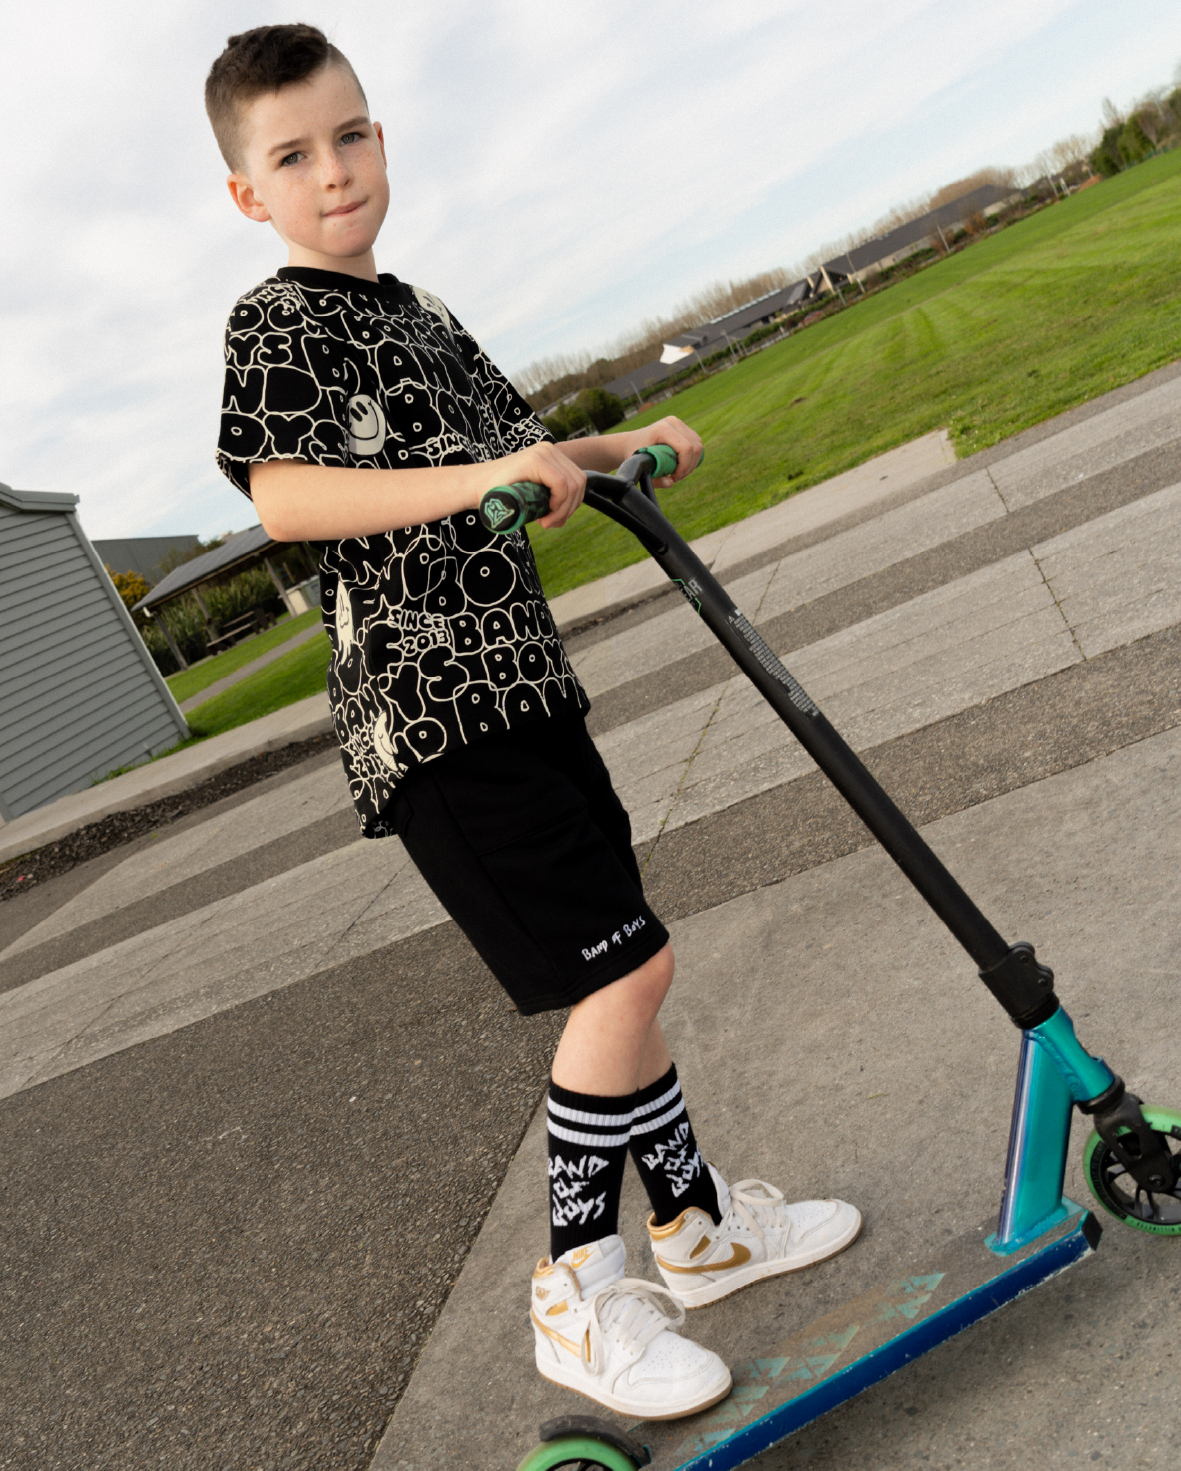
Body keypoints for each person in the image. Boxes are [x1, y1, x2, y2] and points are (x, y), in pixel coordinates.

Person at [205, 23, 861, 1422]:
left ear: (382, 138)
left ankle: (693, 1230)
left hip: (526, 694)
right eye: (294, 156)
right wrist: (472, 487)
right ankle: (575, 1285)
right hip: (435, 721)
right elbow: (288, 498)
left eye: (352, 134)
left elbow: (525, 455)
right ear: (249, 194)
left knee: (627, 970)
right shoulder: (277, 324)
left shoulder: (420, 313)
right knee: (626, 975)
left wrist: (631, 447)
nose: (335, 170)